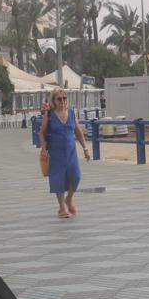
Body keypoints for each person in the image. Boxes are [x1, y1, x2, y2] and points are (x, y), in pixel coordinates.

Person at [39, 89, 90, 219]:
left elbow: (78, 132)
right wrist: (44, 150)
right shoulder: (49, 115)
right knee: (58, 178)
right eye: (59, 99)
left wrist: (85, 148)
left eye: (64, 98)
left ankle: (69, 198)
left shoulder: (72, 113)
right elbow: (41, 133)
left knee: (76, 176)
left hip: (71, 152)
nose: (62, 101)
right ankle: (62, 207)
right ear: (54, 101)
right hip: (55, 152)